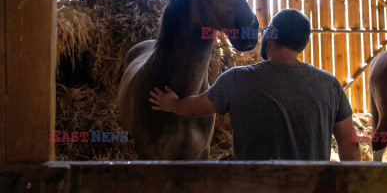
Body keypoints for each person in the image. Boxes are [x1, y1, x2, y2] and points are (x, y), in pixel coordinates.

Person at [149, 9, 361, 161]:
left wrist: (171, 104)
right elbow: (350, 145)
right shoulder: (330, 85)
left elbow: (196, 108)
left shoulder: (237, 79)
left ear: (270, 35)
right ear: (302, 43)